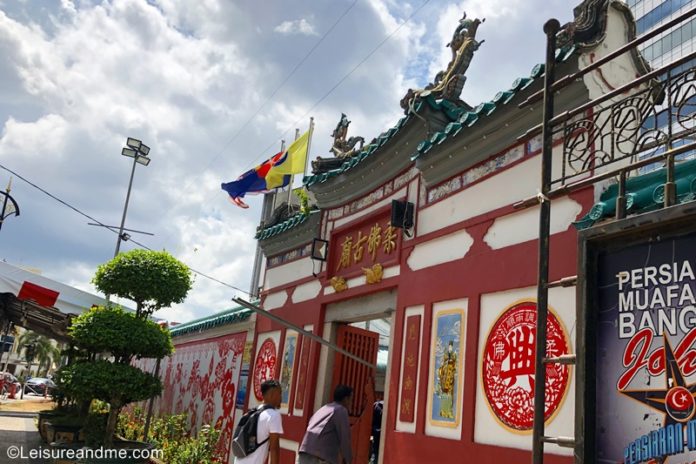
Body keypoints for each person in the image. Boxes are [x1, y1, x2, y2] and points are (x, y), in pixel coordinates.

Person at [298, 385, 353, 464]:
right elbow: (345, 439)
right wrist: (349, 460)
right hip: (319, 457)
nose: (351, 403)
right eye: (351, 400)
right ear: (346, 399)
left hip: (304, 452)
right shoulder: (341, 410)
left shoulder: (324, 409)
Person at [235, 379, 284, 464]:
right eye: (279, 393)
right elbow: (274, 449)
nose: (281, 398)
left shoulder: (253, 412)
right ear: (272, 394)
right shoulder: (273, 415)